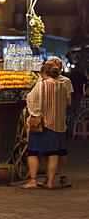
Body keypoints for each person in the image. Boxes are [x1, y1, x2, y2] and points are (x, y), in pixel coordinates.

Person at [22, 62, 71, 190]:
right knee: (53, 153)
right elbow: (66, 103)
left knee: (33, 152)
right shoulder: (62, 85)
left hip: (43, 124)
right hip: (58, 125)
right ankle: (50, 182)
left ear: (43, 72)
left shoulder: (42, 84)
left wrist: (34, 114)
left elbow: (32, 100)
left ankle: (33, 180)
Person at [37, 57, 73, 188]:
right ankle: (52, 177)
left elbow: (68, 101)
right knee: (54, 151)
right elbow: (69, 101)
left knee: (58, 151)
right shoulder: (61, 82)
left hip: (54, 119)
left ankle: (60, 176)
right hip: (58, 119)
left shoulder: (62, 82)